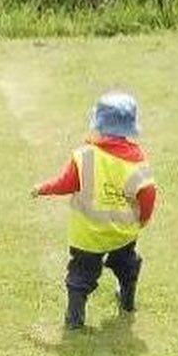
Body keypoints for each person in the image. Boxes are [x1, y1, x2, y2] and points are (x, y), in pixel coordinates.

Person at [32, 91, 156, 329]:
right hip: (122, 233)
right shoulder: (139, 162)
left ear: (99, 125)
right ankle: (127, 301)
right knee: (127, 266)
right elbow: (147, 196)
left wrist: (42, 188)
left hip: (88, 235)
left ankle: (74, 319)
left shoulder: (85, 156)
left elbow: (65, 183)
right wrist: (142, 220)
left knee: (80, 276)